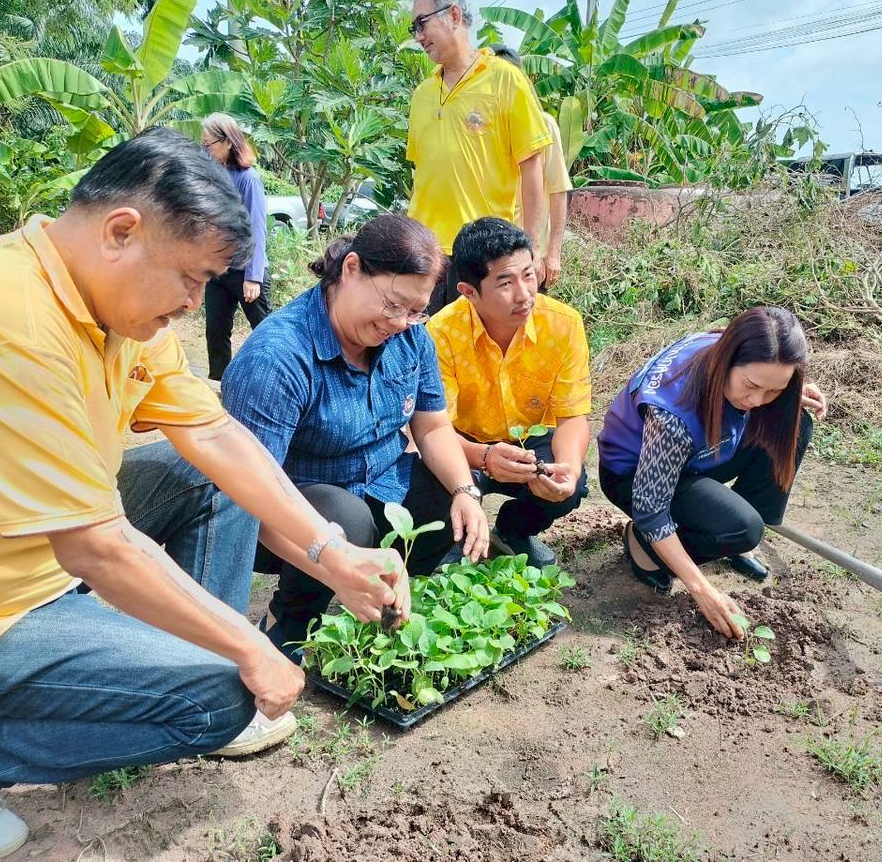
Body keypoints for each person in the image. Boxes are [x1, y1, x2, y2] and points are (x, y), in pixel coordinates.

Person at [0, 129, 407, 862]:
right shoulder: (2, 318)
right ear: (122, 231)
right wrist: (246, 647)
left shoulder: (114, 304)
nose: (192, 303)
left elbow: (214, 437)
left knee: (211, 485)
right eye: (192, 279)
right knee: (220, 695)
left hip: (36, 556)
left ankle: (147, 665)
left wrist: (331, 553)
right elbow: (96, 544)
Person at [221, 214, 491, 662]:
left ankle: (382, 600)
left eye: (416, 310)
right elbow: (247, 498)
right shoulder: (278, 359)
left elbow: (432, 425)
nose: (402, 322)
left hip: (382, 482)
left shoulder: (411, 337)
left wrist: (466, 490)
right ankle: (287, 620)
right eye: (392, 305)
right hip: (293, 514)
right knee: (345, 518)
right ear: (350, 269)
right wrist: (338, 560)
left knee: (447, 497)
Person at [596, 307, 828, 639]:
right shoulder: (672, 414)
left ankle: (732, 537)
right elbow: (651, 508)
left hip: (697, 453)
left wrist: (786, 396)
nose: (758, 400)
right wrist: (702, 590)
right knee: (742, 528)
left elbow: (764, 389)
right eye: (751, 385)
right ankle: (642, 547)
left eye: (772, 390)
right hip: (634, 474)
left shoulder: (739, 351)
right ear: (728, 359)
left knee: (795, 421)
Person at [427, 217, 590, 568]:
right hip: (464, 442)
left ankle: (513, 530)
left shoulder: (563, 325)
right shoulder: (440, 333)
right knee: (428, 482)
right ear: (469, 292)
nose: (525, 294)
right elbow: (431, 430)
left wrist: (570, 472)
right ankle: (453, 540)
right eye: (505, 282)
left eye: (529, 275)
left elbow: (572, 417)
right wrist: (483, 457)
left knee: (569, 489)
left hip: (530, 441)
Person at [406, 0, 551, 313]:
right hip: (426, 254)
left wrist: (531, 250)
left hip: (483, 254)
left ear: (454, 15)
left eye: (422, 24)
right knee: (427, 352)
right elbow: (421, 177)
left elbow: (531, 167)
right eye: (414, 28)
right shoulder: (422, 95)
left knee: (482, 351)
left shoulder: (505, 80)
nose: (418, 36)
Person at [491, 46, 572, 289]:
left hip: (529, 258)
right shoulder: (479, 128)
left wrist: (553, 253)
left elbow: (558, 189)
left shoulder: (543, 124)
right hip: (489, 256)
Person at [199, 112, 272, 380]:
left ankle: (272, 382)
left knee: (265, 332)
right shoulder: (213, 173)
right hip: (219, 270)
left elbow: (256, 228)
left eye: (208, 144)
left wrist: (253, 277)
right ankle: (218, 387)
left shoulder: (248, 178)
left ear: (227, 142)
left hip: (246, 270)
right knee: (216, 332)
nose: (205, 149)